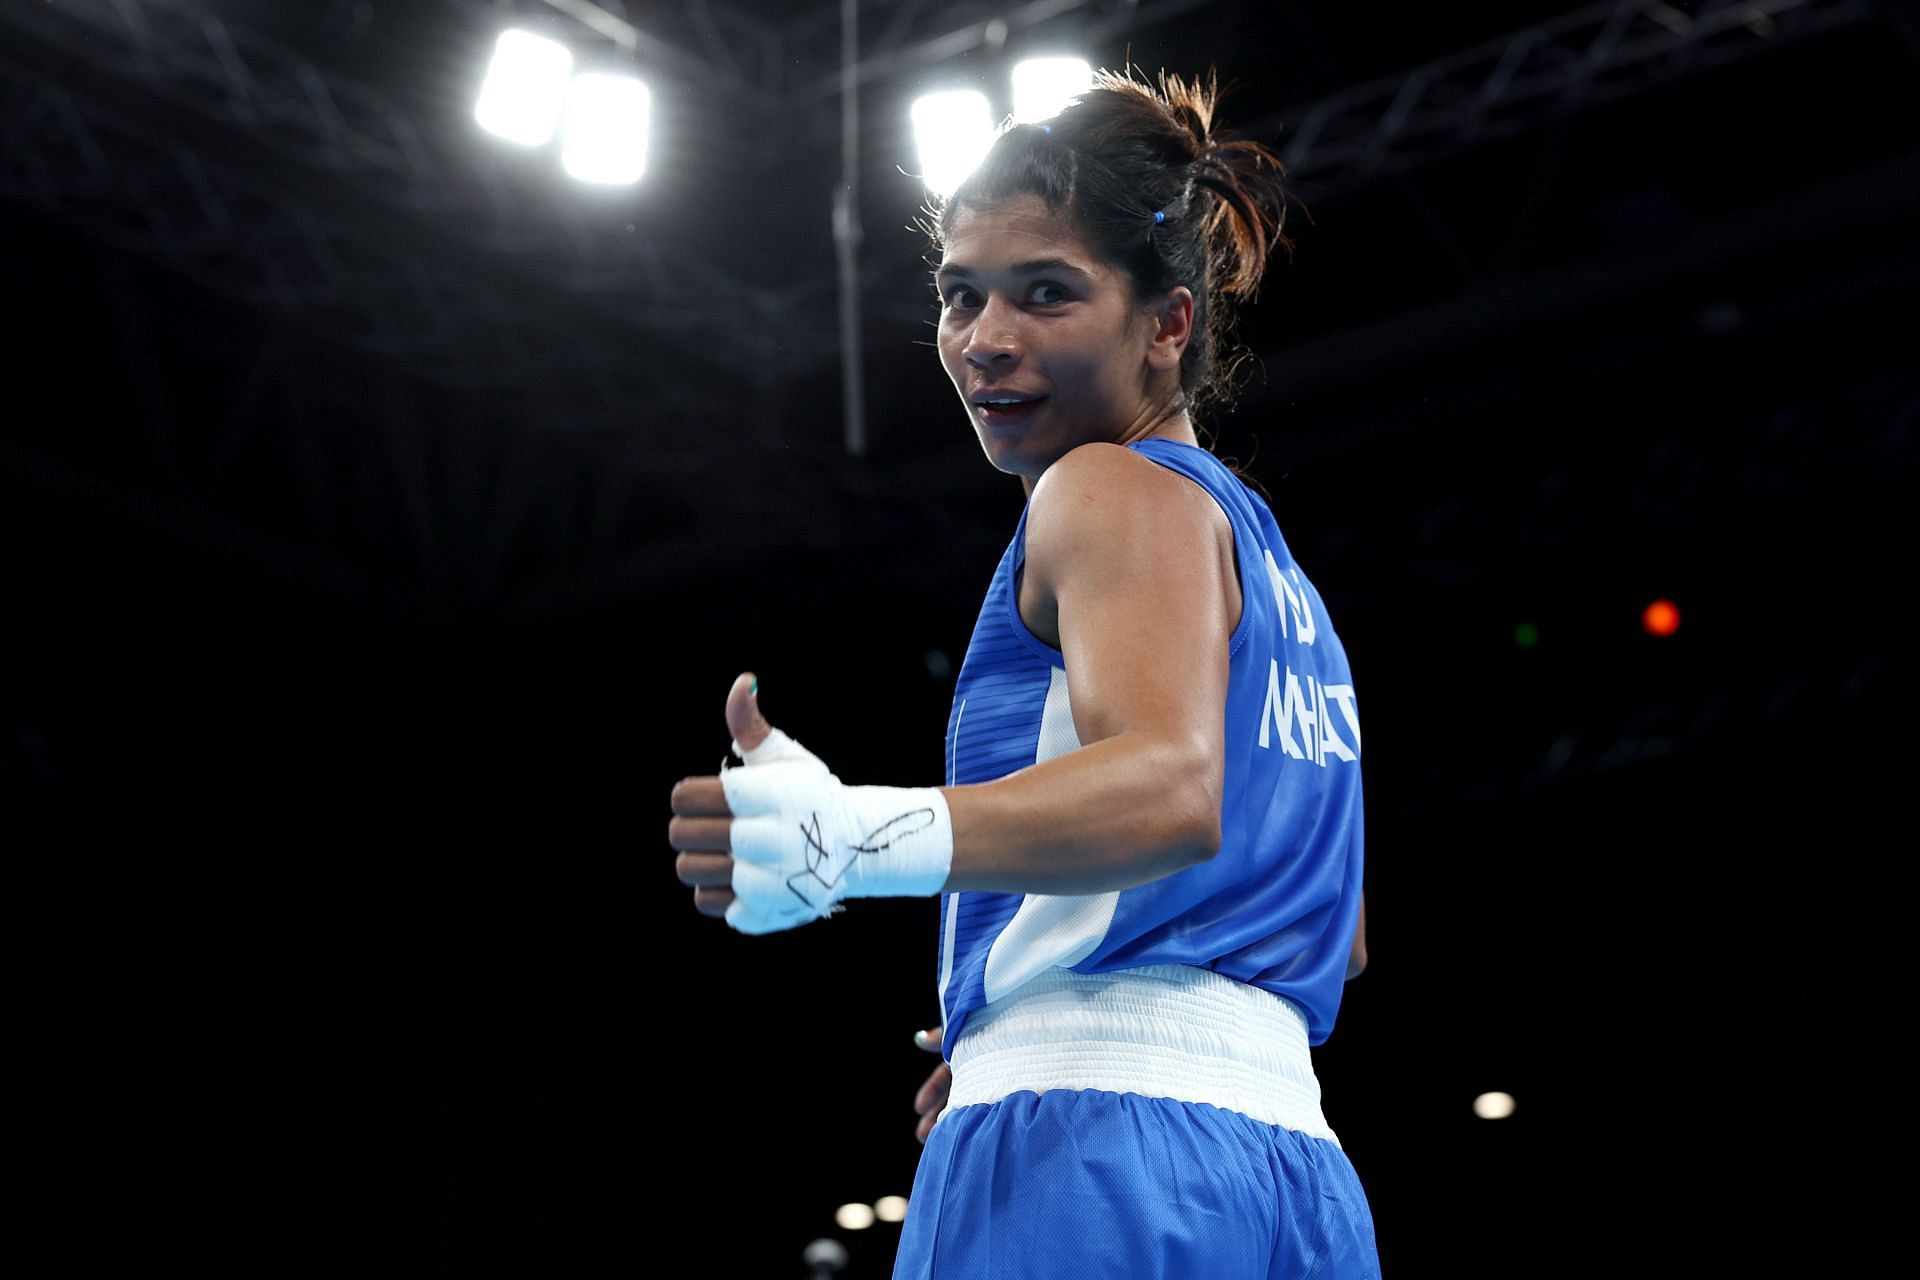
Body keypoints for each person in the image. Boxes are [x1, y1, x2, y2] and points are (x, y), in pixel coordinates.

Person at [669, 66, 1378, 1278]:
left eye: (1046, 294)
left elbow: (1169, 794)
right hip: (1297, 1175)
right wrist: (1030, 1017)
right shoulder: (1268, 565)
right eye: (960, 295)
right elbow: (1335, 930)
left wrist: (854, 834)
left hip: (1100, 1154)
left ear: (1168, 323)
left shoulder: (1101, 487)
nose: (986, 340)